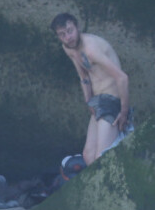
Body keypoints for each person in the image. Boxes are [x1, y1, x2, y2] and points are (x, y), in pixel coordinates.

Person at [51, 13, 131, 165]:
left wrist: (124, 112)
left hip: (111, 101)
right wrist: (88, 101)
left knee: (101, 159)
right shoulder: (68, 48)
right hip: (97, 101)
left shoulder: (91, 49)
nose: (68, 37)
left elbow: (122, 78)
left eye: (70, 31)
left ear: (77, 27)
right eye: (62, 34)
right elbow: (83, 76)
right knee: (88, 156)